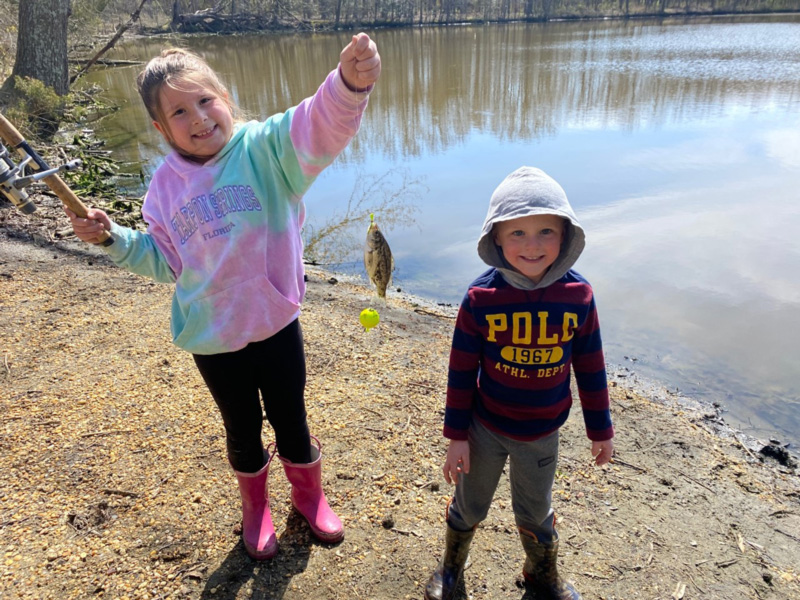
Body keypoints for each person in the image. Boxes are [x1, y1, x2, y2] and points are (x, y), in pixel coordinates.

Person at [64, 35, 381, 561]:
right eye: (180, 112)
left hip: (275, 321)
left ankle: (309, 495)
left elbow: (316, 127)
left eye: (206, 100)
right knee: (240, 425)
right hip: (212, 336)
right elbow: (164, 261)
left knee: (291, 415)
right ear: (162, 129)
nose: (199, 118)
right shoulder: (163, 189)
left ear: (225, 98)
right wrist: (111, 239)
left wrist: (349, 85)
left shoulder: (265, 149)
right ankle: (255, 508)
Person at [424, 166, 615, 600]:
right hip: (485, 428)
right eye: (518, 234)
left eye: (546, 231)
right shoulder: (481, 299)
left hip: (542, 433)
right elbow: (460, 371)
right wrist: (456, 436)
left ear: (566, 236)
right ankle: (452, 568)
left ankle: (541, 574)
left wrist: (600, 429)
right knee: (470, 504)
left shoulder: (579, 296)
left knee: (535, 509)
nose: (532, 245)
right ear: (495, 239)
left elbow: (590, 365)